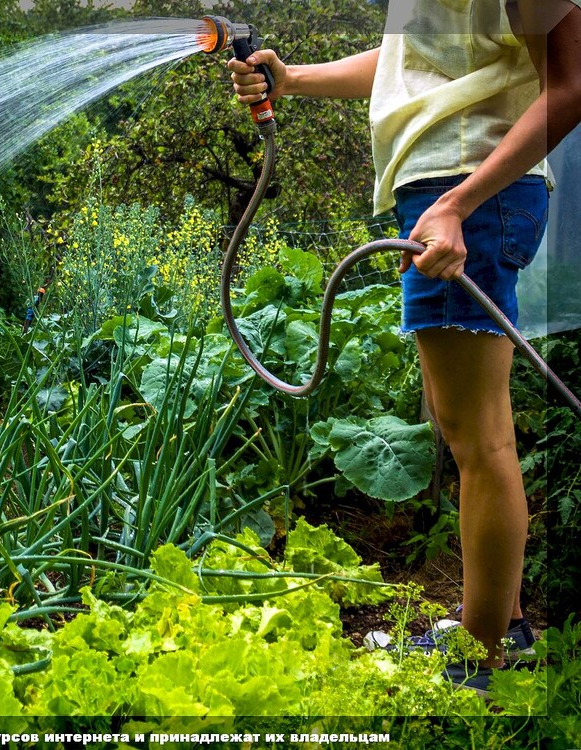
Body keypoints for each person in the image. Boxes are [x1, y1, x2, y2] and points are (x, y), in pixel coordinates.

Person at [228, 0, 581, 693]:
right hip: (447, 191)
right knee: (481, 431)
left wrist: (458, 205)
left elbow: (570, 84)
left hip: (463, 190)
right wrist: (294, 78)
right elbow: (410, 68)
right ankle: (501, 623)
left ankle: (477, 661)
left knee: (477, 441)